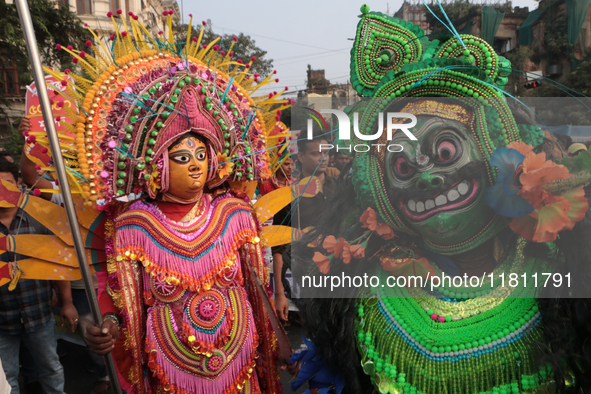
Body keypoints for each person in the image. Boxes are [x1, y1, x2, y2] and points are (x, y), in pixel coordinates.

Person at [290, 6, 591, 394]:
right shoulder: (363, 300)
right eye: (401, 165)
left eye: (445, 150)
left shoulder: (563, 272)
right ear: (379, 190)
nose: (425, 176)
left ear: (493, 156)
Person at [1, 16, 292, 393]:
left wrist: (275, 340)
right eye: (182, 157)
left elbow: (257, 287)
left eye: (202, 155)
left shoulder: (235, 213)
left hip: (238, 358)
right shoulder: (132, 225)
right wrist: (106, 324)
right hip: (169, 367)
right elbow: (114, 292)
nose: (196, 167)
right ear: (157, 164)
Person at [18, 116, 111, 394]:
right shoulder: (66, 197)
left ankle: (111, 376)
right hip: (82, 285)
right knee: (93, 334)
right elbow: (31, 177)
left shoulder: (117, 198)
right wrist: (29, 142)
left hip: (118, 282)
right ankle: (103, 375)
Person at [0, 160, 78, 394]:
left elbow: (57, 262)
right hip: (2, 320)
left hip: (39, 313)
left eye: (7, 184)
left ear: (19, 184)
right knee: (6, 378)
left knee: (51, 369)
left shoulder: (39, 218)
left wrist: (67, 303)